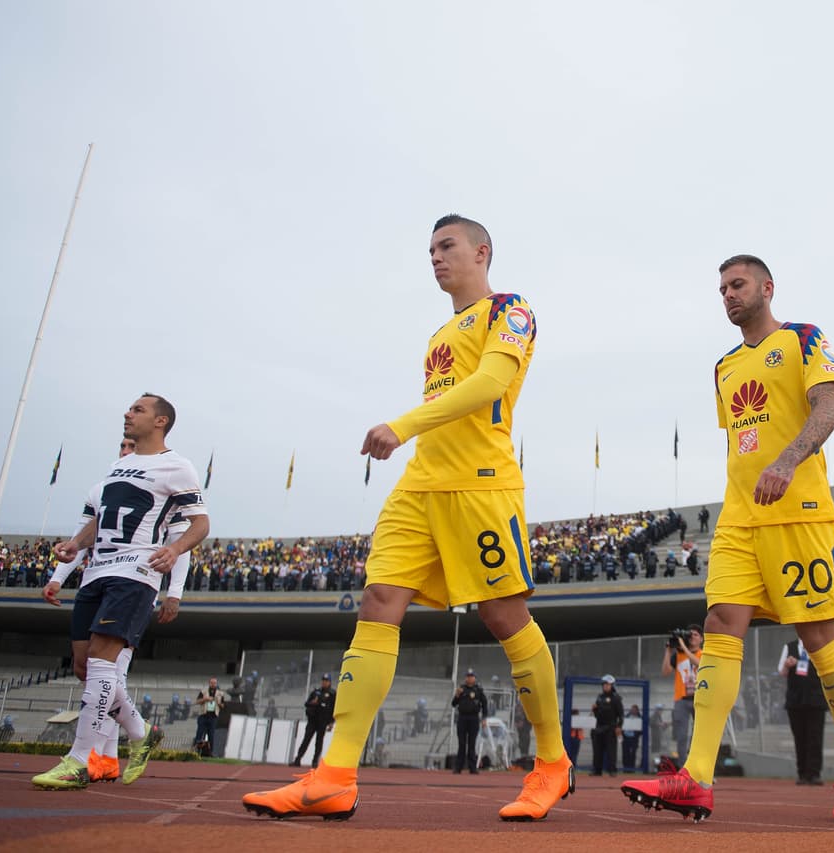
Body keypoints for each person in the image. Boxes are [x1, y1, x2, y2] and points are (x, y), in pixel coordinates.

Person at [243, 215, 571, 823]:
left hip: (481, 486)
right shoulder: (440, 332)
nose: (435, 258)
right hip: (419, 486)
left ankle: (551, 763)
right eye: (430, 250)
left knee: (504, 617)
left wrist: (403, 425)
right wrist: (413, 437)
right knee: (378, 602)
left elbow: (491, 382)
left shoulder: (511, 309)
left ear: (482, 250)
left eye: (446, 246)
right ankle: (335, 774)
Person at [622, 255, 834, 823]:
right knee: (719, 625)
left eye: (737, 285)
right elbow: (744, 437)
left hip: (799, 514)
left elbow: (828, 409)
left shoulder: (804, 338)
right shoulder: (725, 367)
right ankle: (697, 777)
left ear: (766, 287)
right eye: (721, 288)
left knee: (816, 634)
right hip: (739, 518)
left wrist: (787, 462)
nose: (728, 295)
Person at [33, 394, 209, 790]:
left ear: (161, 421)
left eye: (138, 409)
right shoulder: (119, 466)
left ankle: (80, 759)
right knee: (83, 666)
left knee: (101, 659)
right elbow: (99, 520)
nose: (128, 414)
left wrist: (175, 550)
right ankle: (141, 731)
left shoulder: (177, 467)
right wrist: (75, 546)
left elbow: (200, 523)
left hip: (136, 570)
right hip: (96, 571)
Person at [778, 636, 827, 785]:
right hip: (796, 700)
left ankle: (814, 773)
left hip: (816, 700)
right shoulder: (789, 647)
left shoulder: (819, 645)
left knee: (816, 737)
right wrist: (787, 665)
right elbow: (781, 671)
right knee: (799, 737)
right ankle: (802, 773)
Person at [663, 625, 702, 764]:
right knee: (681, 736)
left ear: (701, 639)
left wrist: (683, 647)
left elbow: (698, 663)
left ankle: (698, 767)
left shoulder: (703, 654)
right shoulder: (678, 655)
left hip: (699, 700)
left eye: (695, 635)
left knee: (699, 736)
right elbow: (666, 671)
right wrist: (668, 651)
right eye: (689, 634)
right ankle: (682, 767)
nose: (692, 637)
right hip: (681, 699)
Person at [292, 673, 336, 768]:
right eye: (323, 680)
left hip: (323, 721)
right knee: (306, 740)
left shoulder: (332, 694)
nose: (324, 682)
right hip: (313, 720)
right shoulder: (316, 692)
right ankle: (298, 759)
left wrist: (332, 722)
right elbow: (307, 703)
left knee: (319, 742)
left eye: (326, 681)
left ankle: (315, 761)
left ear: (329, 682)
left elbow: (334, 709)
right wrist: (313, 702)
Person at [451, 669, 489, 774]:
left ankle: (472, 767)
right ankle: (458, 767)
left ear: (475, 678)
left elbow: (484, 705)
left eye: (471, 676)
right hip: (462, 718)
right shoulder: (461, 689)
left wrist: (484, 718)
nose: (469, 678)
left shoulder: (478, 690)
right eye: (468, 676)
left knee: (472, 744)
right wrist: (457, 695)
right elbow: (453, 704)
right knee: (461, 743)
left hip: (474, 719)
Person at [591, 674, 623, 776]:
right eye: (604, 684)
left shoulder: (616, 698)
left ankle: (612, 770)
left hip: (611, 727)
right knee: (597, 750)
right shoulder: (599, 698)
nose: (606, 686)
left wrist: (619, 726)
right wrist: (595, 709)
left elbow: (621, 714)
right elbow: (597, 715)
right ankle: (597, 770)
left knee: (611, 751)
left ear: (612, 685)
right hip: (599, 727)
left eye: (608, 684)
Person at [194, 677, 226, 755]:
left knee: (211, 735)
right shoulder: (203, 691)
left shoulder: (220, 693)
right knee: (199, 733)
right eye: (211, 683)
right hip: (203, 715)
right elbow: (197, 701)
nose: (213, 684)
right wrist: (205, 699)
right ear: (209, 683)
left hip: (213, 716)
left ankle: (210, 752)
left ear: (216, 684)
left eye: (215, 683)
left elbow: (223, 706)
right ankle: (196, 750)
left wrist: (219, 703)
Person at [622, 704, 643, 771]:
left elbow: (642, 729)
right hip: (626, 737)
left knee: (633, 753)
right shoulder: (627, 716)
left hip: (634, 738)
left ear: (637, 710)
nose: (633, 710)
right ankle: (625, 767)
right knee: (625, 753)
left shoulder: (640, 718)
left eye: (634, 709)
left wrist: (637, 733)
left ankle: (631, 768)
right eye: (632, 709)